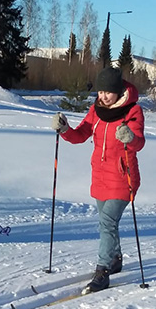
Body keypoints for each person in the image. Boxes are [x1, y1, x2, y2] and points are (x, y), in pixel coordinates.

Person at [51, 67, 145, 293]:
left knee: (107, 222)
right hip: (101, 177)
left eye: (108, 92)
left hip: (123, 178)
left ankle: (103, 271)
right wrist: (64, 129)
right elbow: (80, 135)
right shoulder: (96, 110)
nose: (103, 96)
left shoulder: (133, 111)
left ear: (118, 90)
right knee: (106, 222)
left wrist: (130, 138)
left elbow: (139, 142)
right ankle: (115, 259)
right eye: (100, 91)